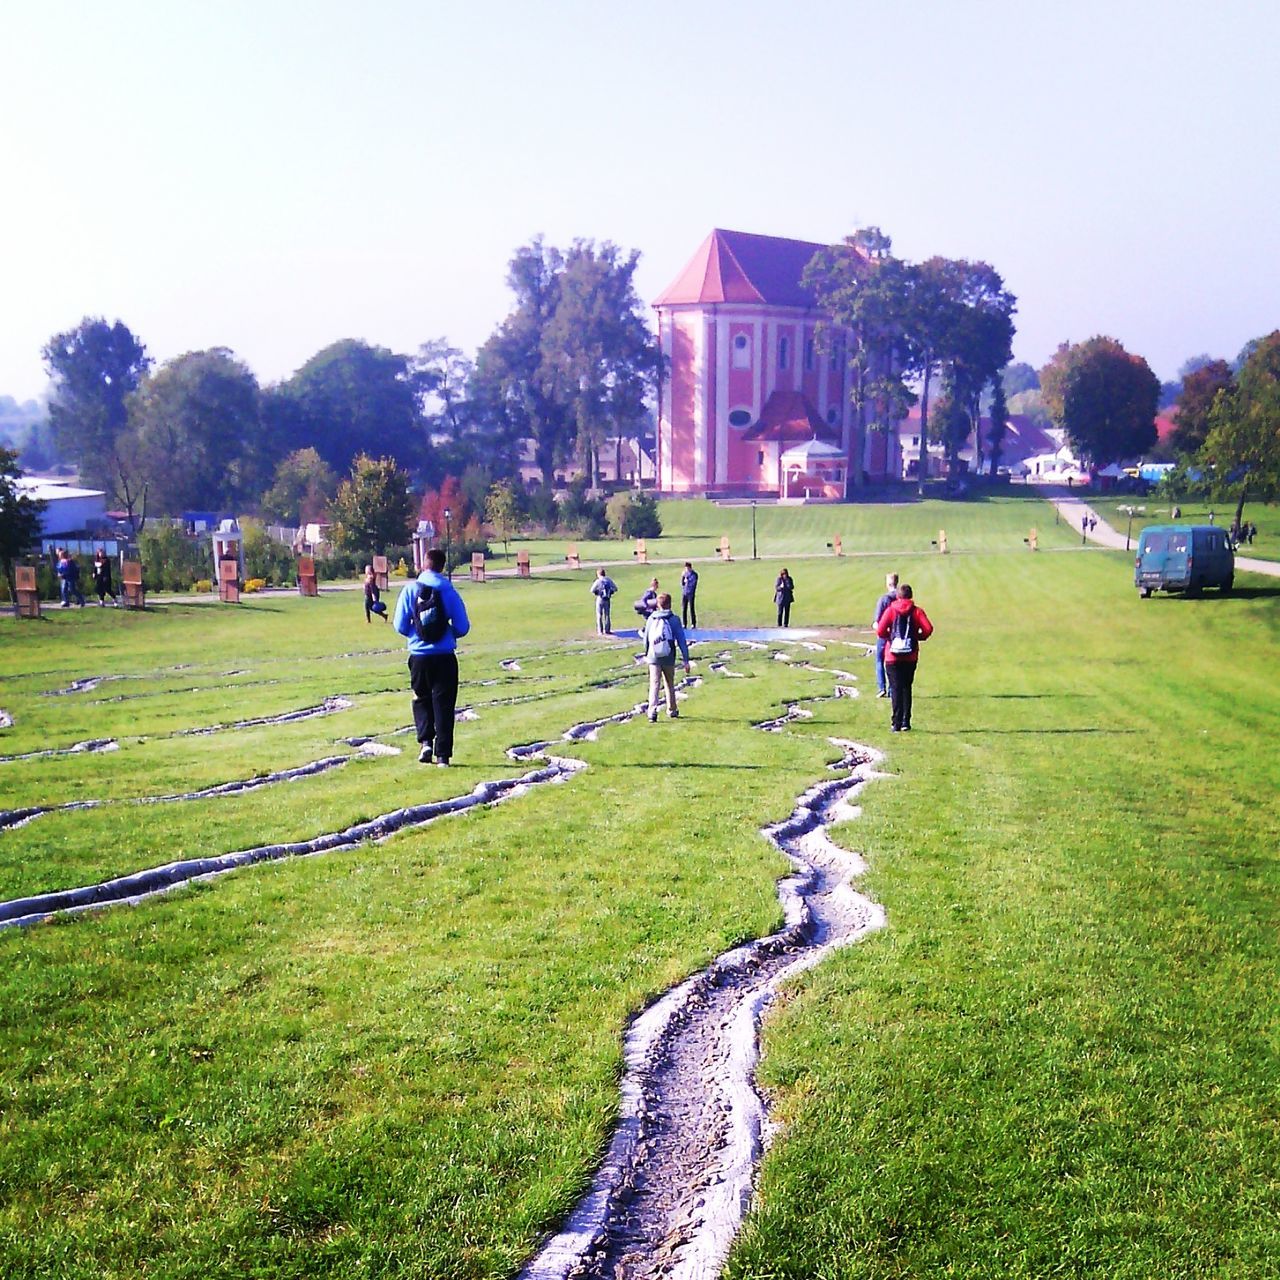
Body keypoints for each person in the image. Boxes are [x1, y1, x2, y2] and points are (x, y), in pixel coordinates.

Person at [393, 547, 471, 766]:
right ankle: (443, 755)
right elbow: (463, 626)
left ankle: (425, 741)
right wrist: (448, 633)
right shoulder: (449, 591)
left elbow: (399, 625)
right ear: (442, 566)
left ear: (423, 565)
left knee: (421, 698)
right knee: (444, 705)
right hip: (445, 656)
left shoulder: (410, 590)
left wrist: (416, 633)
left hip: (419, 656)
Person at [875, 583, 934, 732]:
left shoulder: (890, 611)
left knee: (895, 688)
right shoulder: (917, 611)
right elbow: (928, 628)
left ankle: (896, 723)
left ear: (898, 596)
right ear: (911, 596)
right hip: (910, 655)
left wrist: (891, 637)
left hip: (892, 656)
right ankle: (906, 722)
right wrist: (917, 637)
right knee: (906, 688)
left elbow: (880, 630)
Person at [641, 592, 690, 722]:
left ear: (658, 604)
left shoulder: (651, 618)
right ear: (670, 604)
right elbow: (681, 640)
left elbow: (646, 639)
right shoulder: (674, 619)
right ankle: (672, 709)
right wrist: (686, 659)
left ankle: (652, 711)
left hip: (653, 657)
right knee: (669, 684)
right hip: (668, 656)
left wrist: (647, 653)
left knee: (654, 684)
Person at [872, 572, 899, 699]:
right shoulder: (900, 597)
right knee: (893, 662)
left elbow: (877, 621)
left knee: (879, 660)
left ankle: (881, 687)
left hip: (884, 635)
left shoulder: (884, 599)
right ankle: (892, 689)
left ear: (888, 583)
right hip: (897, 635)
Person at [591, 567, 618, 634]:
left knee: (599, 614)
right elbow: (615, 588)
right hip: (607, 599)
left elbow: (592, 590)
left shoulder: (598, 581)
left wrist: (597, 592)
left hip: (600, 598)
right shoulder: (608, 580)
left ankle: (600, 631)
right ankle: (607, 630)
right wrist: (610, 592)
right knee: (607, 615)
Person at [680, 562, 699, 628]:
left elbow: (693, 584)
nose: (686, 569)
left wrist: (687, 579)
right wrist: (683, 577)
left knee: (691, 609)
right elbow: (682, 583)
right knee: (684, 609)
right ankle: (684, 623)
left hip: (690, 594)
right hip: (684, 593)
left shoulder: (694, 575)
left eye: (687, 568)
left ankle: (693, 623)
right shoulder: (685, 574)